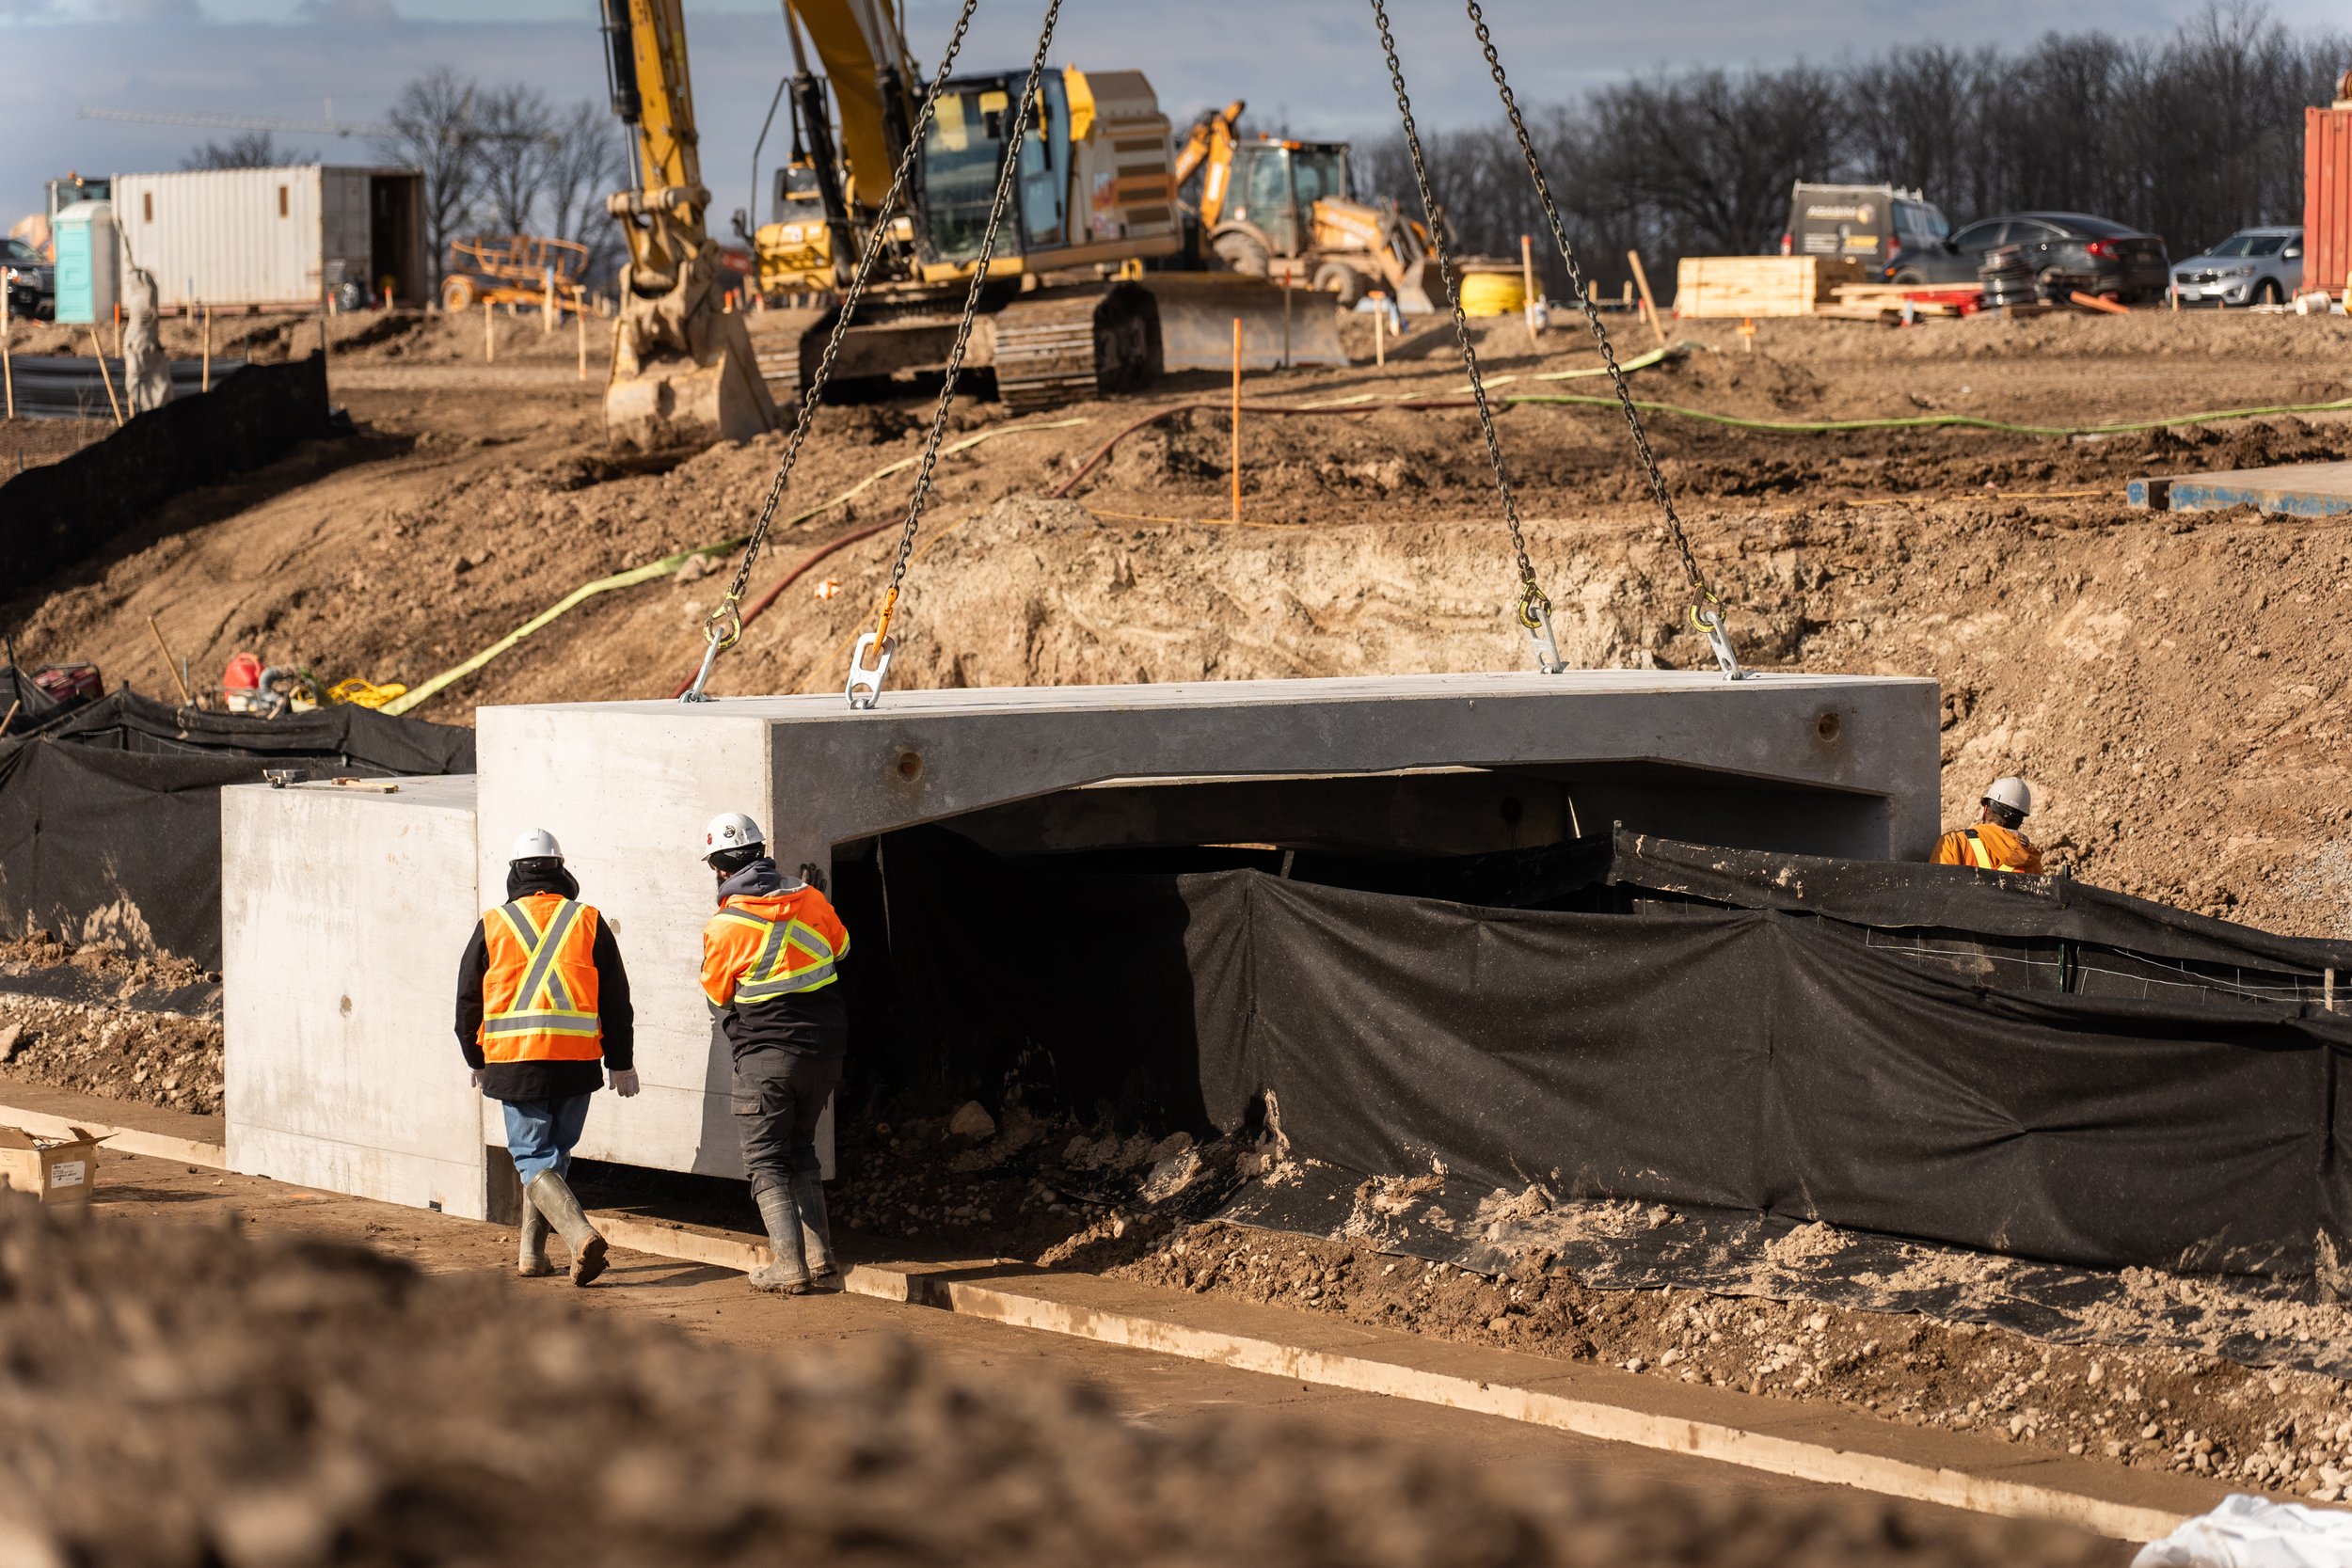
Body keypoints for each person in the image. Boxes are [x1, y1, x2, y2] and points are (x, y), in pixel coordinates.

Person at [456, 828, 639, 1285]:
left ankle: (579, 1235)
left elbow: (467, 1000)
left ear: (514, 873)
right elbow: (616, 998)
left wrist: (474, 1056)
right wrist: (621, 1061)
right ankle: (532, 1255)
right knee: (554, 1156)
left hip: (516, 1063)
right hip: (576, 1063)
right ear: (561, 870)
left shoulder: (494, 923)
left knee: (534, 1159)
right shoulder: (588, 920)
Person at [697, 811, 850, 1295]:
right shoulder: (812, 898)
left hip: (768, 1059)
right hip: (825, 1053)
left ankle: (789, 1267)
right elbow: (842, 949)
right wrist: (809, 903)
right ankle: (821, 1261)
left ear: (721, 870)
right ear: (762, 852)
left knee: (765, 1160)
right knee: (800, 1149)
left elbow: (718, 996)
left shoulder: (723, 927)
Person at [1931, 776, 2044, 874]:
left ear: (1986, 809)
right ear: (2020, 821)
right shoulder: (2031, 861)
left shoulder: (1954, 843)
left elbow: (1938, 892)